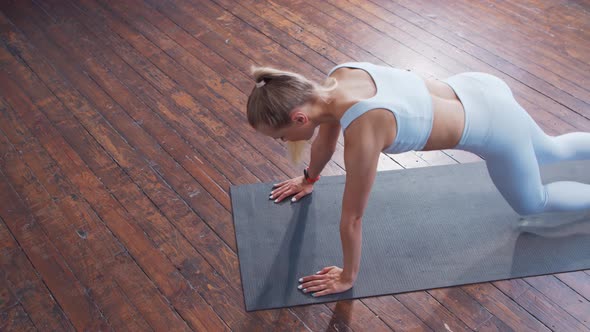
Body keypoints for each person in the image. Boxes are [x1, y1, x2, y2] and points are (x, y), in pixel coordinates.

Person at [246, 62, 590, 297]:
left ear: (299, 117)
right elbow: (324, 138)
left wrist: (347, 276)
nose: (283, 142)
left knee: (533, 202)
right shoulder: (339, 77)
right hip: (478, 87)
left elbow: (352, 217)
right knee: (549, 150)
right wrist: (310, 178)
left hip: (496, 128)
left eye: (280, 136)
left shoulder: (366, 127)